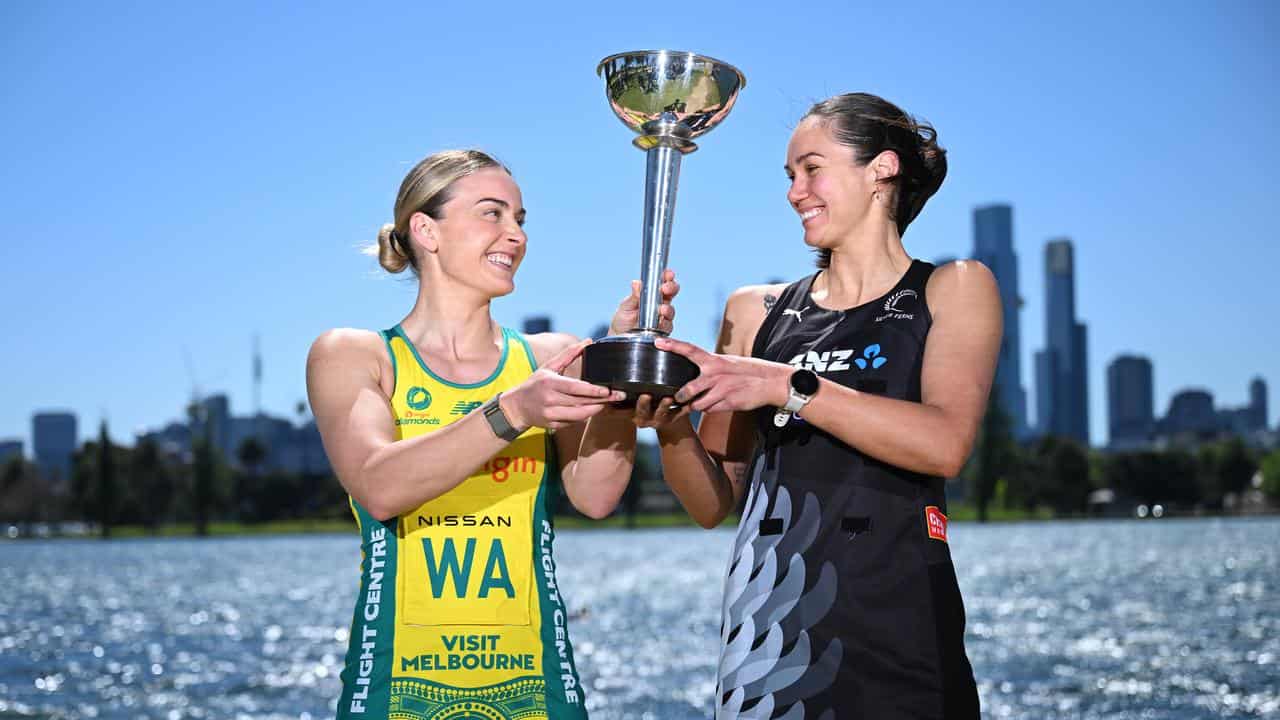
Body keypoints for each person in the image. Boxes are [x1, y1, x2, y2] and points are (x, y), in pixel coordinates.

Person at [632, 93, 1002, 718]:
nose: (794, 191)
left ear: (881, 169)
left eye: (811, 169)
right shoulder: (756, 311)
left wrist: (788, 387)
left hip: (903, 634)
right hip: (770, 642)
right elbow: (711, 503)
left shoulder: (954, 287)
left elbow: (945, 443)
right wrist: (670, 427)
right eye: (788, 176)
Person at [306, 149, 678, 719]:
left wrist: (617, 367)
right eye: (492, 213)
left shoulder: (551, 357)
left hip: (539, 689)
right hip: (395, 689)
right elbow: (379, 486)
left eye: (520, 219)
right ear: (426, 231)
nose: (515, 235)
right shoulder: (355, 355)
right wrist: (511, 412)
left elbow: (596, 495)